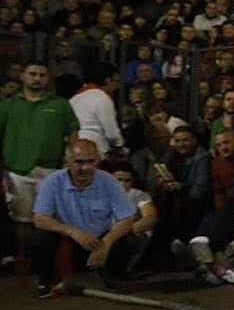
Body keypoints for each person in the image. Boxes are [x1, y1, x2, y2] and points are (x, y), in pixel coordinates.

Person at [27, 139, 136, 297]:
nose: (85, 168)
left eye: (91, 162)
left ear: (97, 160)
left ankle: (111, 276)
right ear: (67, 162)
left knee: (130, 240)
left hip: (99, 240)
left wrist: (105, 244)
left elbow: (126, 220)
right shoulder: (52, 182)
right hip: (68, 240)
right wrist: (73, 232)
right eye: (79, 162)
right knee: (37, 240)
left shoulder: (109, 181)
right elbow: (40, 218)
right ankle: (47, 280)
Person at [0, 61, 79, 255]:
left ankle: (47, 264)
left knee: (52, 220)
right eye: (33, 74)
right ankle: (25, 263)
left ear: (48, 78)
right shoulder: (8, 106)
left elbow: (73, 134)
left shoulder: (60, 105)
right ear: (23, 76)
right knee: (22, 220)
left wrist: (72, 159)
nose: (37, 78)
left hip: (52, 171)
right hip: (17, 171)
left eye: (42, 75)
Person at [69, 63, 124, 158]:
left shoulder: (75, 97)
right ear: (108, 80)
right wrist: (119, 146)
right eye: (117, 81)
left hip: (74, 148)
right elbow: (111, 133)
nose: (117, 87)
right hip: (96, 149)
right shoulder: (103, 98)